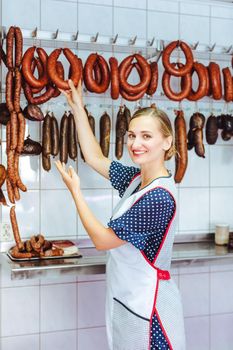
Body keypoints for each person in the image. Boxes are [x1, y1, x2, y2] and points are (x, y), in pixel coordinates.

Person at [55, 79, 186, 350]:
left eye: (146, 136)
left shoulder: (158, 197)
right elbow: (94, 157)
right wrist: (78, 108)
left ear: (167, 141)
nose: (135, 143)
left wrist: (76, 193)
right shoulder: (137, 180)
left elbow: (103, 240)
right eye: (131, 135)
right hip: (129, 299)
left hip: (151, 312)